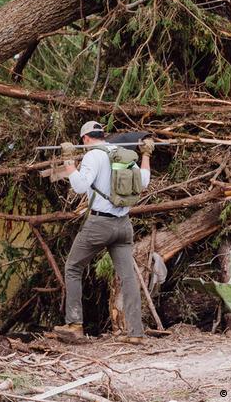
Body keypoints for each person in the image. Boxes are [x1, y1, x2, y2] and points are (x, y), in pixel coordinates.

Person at [53, 121, 153, 344]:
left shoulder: (92, 155)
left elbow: (79, 186)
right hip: (123, 225)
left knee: (73, 267)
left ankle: (75, 324)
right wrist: (145, 153)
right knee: (128, 278)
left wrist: (68, 162)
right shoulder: (124, 153)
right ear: (103, 135)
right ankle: (136, 333)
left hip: (99, 225)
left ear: (86, 139)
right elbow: (144, 182)